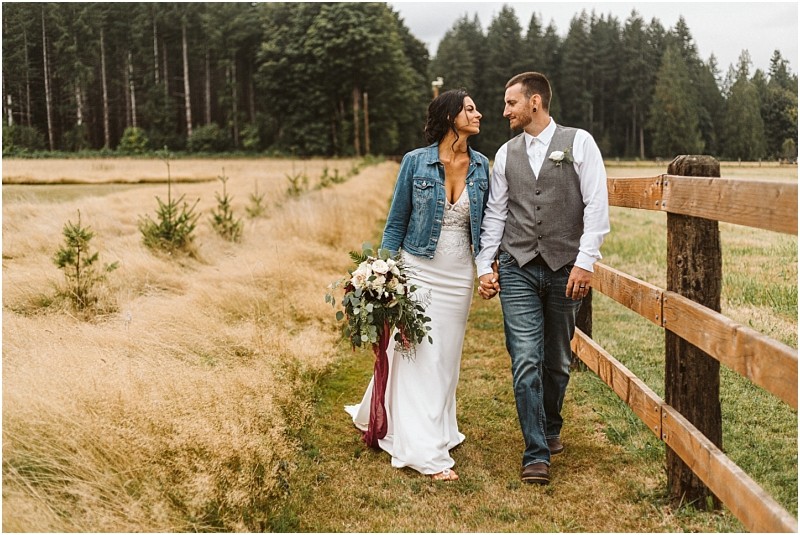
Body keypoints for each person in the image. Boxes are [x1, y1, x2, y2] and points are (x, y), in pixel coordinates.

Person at [345, 89, 490, 481]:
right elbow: (396, 222)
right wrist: (384, 274)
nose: (479, 114)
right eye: (470, 109)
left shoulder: (481, 166)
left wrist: (488, 267)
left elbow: (487, 227)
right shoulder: (415, 162)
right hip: (418, 269)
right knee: (417, 353)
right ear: (449, 116)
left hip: (459, 274)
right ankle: (423, 449)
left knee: (446, 356)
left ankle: (437, 427)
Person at [476, 72, 610, 485]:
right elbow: (497, 213)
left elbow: (596, 205)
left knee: (558, 361)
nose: (504, 111)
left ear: (535, 102)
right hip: (516, 266)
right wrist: (486, 264)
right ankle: (536, 451)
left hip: (565, 267)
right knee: (526, 358)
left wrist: (586, 261)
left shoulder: (580, 142)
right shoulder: (505, 154)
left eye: (510, 103)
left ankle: (550, 427)